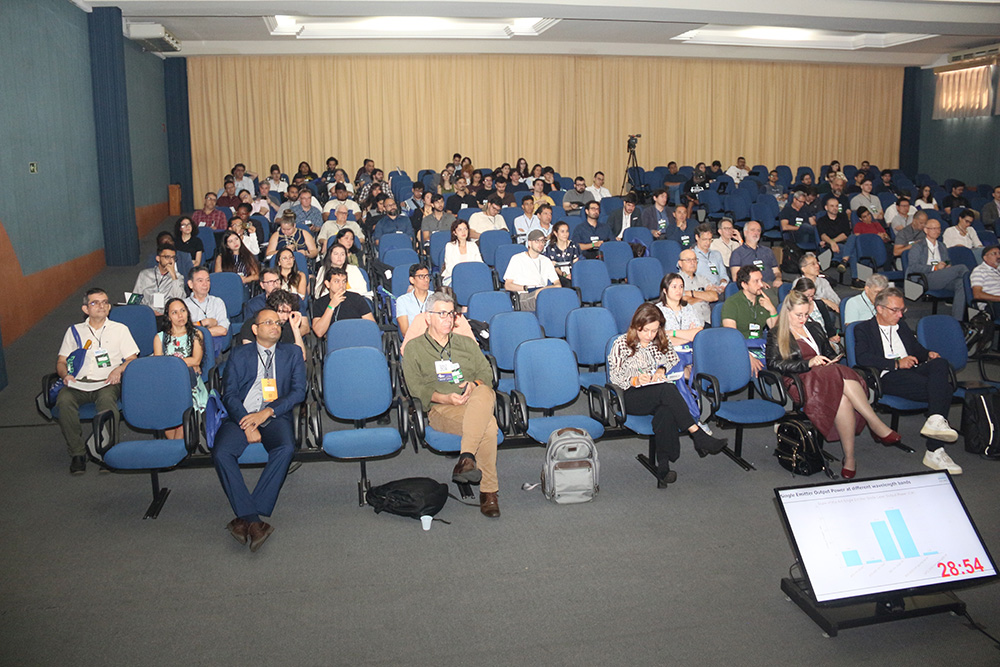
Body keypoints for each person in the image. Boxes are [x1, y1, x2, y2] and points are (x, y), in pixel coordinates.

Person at [766, 290, 900, 479]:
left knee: (843, 398)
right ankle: (875, 423)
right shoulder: (777, 333)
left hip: (827, 376)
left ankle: (850, 458)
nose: (803, 319)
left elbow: (827, 352)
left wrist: (831, 358)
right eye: (798, 315)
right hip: (800, 380)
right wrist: (808, 363)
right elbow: (774, 364)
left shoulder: (814, 327)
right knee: (837, 374)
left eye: (806, 314)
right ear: (787, 312)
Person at [213, 308, 306, 551]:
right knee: (222, 452)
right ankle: (254, 519)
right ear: (255, 329)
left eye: (277, 323)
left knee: (286, 448)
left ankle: (246, 515)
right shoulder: (239, 354)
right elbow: (229, 394)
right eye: (268, 322)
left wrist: (267, 412)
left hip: (275, 416)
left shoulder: (292, 353)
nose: (275, 326)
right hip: (241, 416)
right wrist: (246, 421)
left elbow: (299, 392)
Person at [401, 292, 501, 517]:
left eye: (451, 314)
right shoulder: (414, 348)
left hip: (475, 401)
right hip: (441, 408)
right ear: (428, 317)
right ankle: (489, 491)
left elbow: (486, 373)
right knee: (489, 427)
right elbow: (415, 389)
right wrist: (445, 398)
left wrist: (473, 384)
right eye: (442, 314)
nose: (448, 319)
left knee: (484, 390)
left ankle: (466, 458)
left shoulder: (466, 343)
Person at [607, 304, 727, 487]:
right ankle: (698, 434)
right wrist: (635, 380)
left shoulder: (660, 340)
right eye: (646, 330)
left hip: (655, 393)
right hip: (630, 395)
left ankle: (663, 467)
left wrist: (661, 369)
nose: (650, 335)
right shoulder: (621, 344)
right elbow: (614, 376)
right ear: (636, 326)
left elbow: (672, 359)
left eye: (654, 330)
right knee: (667, 390)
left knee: (666, 410)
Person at [853, 287, 962, 474]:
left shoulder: (901, 327)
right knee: (944, 389)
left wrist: (928, 354)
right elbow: (863, 358)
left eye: (902, 310)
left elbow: (917, 350)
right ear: (880, 309)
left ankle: (935, 421)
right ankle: (935, 449)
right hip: (888, 375)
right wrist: (896, 363)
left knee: (940, 363)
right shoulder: (863, 329)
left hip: (912, 371)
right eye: (895, 310)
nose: (900, 315)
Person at [55, 288, 139, 474]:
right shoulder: (74, 331)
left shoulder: (120, 330)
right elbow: (61, 361)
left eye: (105, 302)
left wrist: (118, 369)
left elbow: (132, 358)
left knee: (106, 402)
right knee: (64, 400)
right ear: (85, 309)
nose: (102, 306)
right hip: (79, 382)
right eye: (95, 303)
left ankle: (107, 451)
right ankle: (77, 453)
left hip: (108, 382)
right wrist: (65, 375)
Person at [153, 298, 208, 439]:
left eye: (183, 310)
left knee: (181, 426)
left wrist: (171, 363)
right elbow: (160, 366)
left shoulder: (196, 334)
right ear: (168, 317)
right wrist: (184, 363)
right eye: (174, 312)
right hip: (168, 385)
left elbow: (196, 360)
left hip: (190, 386)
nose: (180, 315)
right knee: (170, 430)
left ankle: (176, 449)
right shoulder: (160, 338)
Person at [721, 265, 778, 376]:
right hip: (740, 348)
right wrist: (747, 356)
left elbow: (776, 330)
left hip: (759, 346)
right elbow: (732, 337)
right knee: (759, 371)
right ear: (744, 285)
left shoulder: (763, 301)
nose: (761, 285)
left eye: (761, 280)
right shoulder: (732, 303)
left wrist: (772, 309)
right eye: (756, 281)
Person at [908, 217, 969, 320]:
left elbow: (947, 261)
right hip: (926, 278)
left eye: (939, 228)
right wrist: (934, 267)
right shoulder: (917, 246)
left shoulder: (942, 246)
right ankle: (976, 290)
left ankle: (957, 320)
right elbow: (913, 267)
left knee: (961, 283)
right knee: (962, 268)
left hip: (942, 277)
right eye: (934, 228)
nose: (937, 231)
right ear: (926, 230)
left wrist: (947, 265)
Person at [238, 289, 308, 359]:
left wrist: (295, 329)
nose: (285, 317)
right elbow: (249, 357)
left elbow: (302, 358)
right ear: (271, 309)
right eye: (281, 312)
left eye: (288, 312)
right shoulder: (252, 325)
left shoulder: (286, 327)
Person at [311, 267, 376, 338]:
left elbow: (371, 326)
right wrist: (331, 306)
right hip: (334, 340)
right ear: (327, 284)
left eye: (344, 281)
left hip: (356, 337)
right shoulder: (319, 303)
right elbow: (319, 332)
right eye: (336, 281)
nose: (341, 285)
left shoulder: (356, 298)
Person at [504, 229, 559, 310]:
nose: (541, 244)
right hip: (524, 296)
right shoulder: (517, 259)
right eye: (537, 241)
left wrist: (542, 289)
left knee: (563, 296)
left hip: (543, 293)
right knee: (542, 297)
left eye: (543, 241)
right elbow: (508, 285)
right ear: (529, 243)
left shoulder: (546, 260)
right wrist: (526, 288)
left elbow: (558, 284)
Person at [133, 244, 186, 315]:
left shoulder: (178, 277)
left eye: (173, 258)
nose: (170, 261)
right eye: (167, 257)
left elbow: (180, 299)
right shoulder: (145, 275)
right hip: (147, 314)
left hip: (167, 315)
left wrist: (173, 275)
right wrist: (147, 311)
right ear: (158, 258)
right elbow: (135, 299)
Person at [728, 221, 782, 289]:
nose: (756, 233)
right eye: (752, 230)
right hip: (752, 288)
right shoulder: (737, 253)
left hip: (772, 285)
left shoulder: (768, 251)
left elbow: (776, 271)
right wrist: (758, 283)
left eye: (758, 231)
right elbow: (736, 278)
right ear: (745, 233)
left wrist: (778, 278)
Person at [184, 266, 230, 343]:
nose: (205, 284)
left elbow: (223, 330)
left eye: (207, 280)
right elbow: (181, 330)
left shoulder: (217, 302)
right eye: (200, 281)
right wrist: (204, 323)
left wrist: (195, 330)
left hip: (212, 344)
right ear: (190, 284)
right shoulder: (184, 305)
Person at [656, 274, 703, 346]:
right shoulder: (657, 310)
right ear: (665, 290)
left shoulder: (688, 308)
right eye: (674, 287)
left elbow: (698, 333)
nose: (678, 290)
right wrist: (688, 337)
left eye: (681, 287)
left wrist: (672, 333)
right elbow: (662, 339)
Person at [676, 249, 719, 324]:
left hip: (707, 320)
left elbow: (714, 296)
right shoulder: (675, 280)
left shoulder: (702, 279)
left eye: (694, 260)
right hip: (689, 323)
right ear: (680, 263)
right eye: (688, 260)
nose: (692, 263)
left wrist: (691, 293)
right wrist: (704, 296)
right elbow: (682, 300)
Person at [441, 219, 483, 287]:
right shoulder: (450, 246)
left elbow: (479, 264)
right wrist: (464, 275)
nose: (463, 232)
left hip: (472, 276)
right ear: (454, 233)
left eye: (465, 229)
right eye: (460, 230)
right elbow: (450, 267)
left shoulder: (473, 245)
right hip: (453, 277)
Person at [396, 264, 433, 337]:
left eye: (427, 276)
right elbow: (405, 332)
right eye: (421, 276)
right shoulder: (402, 301)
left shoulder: (436, 297)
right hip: (413, 340)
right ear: (412, 280)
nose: (426, 280)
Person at [544, 220, 580, 285]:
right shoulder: (550, 248)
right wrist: (564, 275)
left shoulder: (574, 246)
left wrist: (572, 275)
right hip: (558, 276)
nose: (565, 234)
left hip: (573, 274)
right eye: (562, 232)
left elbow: (576, 264)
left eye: (567, 231)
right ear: (555, 233)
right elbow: (554, 267)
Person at [970, 245, 1000, 318]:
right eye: (994, 254)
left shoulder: (998, 270)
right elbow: (977, 294)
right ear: (985, 258)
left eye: (999, 253)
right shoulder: (979, 271)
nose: (998, 256)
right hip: (992, 304)